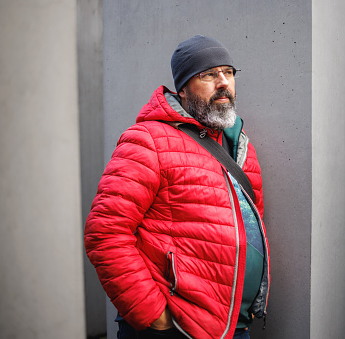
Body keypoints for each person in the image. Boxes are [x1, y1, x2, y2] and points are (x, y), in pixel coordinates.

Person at [84, 35, 270, 339]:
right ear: (182, 88)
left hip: (234, 324)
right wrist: (154, 315)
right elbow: (104, 232)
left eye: (228, 72)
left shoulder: (241, 146)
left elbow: (250, 228)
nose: (223, 82)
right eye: (209, 74)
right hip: (177, 327)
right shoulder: (148, 140)